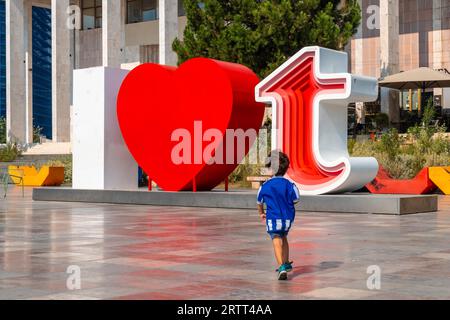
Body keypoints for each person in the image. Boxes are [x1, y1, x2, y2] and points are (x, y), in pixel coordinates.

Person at [257, 151, 300, 280]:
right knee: (284, 237)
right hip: (287, 219)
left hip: (273, 219)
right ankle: (286, 263)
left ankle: (281, 267)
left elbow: (259, 202)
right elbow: (296, 199)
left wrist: (261, 213)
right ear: (285, 168)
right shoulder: (290, 185)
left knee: (276, 239)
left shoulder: (265, 186)